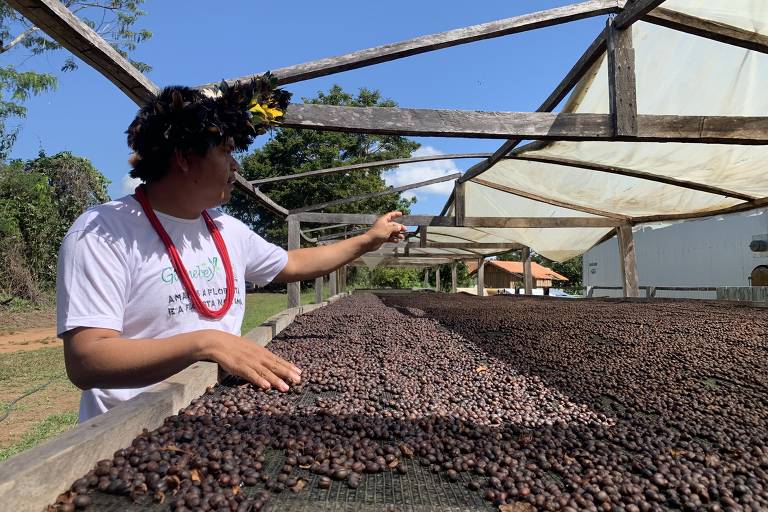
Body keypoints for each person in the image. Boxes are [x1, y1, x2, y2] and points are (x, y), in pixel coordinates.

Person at [56, 81, 406, 422]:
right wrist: (206, 343)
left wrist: (368, 240)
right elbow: (88, 360)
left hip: (213, 417)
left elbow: (294, 263)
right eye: (225, 151)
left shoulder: (225, 227)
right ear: (183, 157)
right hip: (128, 436)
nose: (235, 166)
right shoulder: (103, 231)